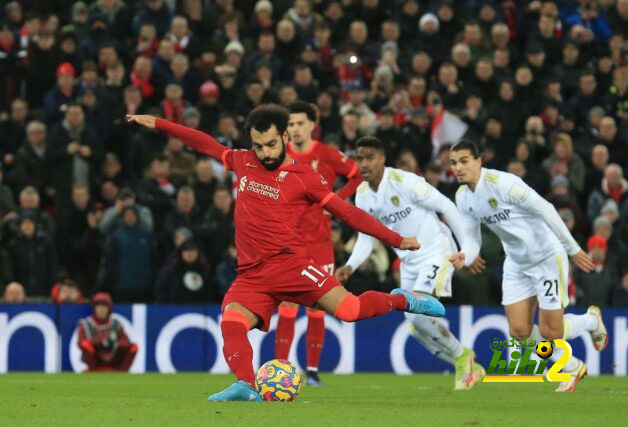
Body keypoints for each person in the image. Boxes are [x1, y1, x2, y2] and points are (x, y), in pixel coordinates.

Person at [126, 105, 444, 402]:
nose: (264, 153)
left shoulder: (306, 178)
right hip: (252, 275)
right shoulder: (243, 160)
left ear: (285, 137)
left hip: (291, 266)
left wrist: (396, 239)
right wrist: (160, 124)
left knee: (350, 311)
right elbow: (205, 143)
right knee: (232, 320)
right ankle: (246, 384)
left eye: (269, 145)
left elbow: (348, 213)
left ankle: (404, 299)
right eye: (257, 146)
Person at [448, 139, 607, 392]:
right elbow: (471, 238)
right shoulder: (463, 197)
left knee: (551, 332)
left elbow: (546, 209)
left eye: (464, 161)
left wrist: (572, 248)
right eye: (454, 163)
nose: (458, 167)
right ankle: (572, 366)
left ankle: (591, 320)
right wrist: (465, 255)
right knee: (519, 332)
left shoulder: (504, 184)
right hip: (516, 263)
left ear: (479, 161)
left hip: (546, 257)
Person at [335, 136, 484, 391]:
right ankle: (463, 359)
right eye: (359, 158)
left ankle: (462, 356)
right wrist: (350, 265)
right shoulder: (362, 195)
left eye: (369, 157)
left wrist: (467, 248)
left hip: (436, 251)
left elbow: (446, 206)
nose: (363, 164)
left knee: (418, 309)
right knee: (413, 325)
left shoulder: (405, 182)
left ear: (382, 159)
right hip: (409, 263)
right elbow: (367, 236)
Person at [274, 100, 363, 386]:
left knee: (316, 306)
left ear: (313, 125)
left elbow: (357, 175)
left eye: (300, 123)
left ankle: (312, 371)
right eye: (291, 124)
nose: (295, 129)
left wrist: (335, 202)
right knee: (287, 305)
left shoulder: (326, 154)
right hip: (288, 242)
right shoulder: (279, 154)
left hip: (320, 242)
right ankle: (281, 369)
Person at [77, 292, 138, 372]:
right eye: (99, 307)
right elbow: (80, 342)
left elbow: (126, 342)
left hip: (114, 357)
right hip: (95, 358)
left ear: (109, 309)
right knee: (86, 345)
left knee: (134, 347)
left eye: (104, 307)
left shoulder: (116, 324)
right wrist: (101, 342)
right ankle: (93, 370)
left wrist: (115, 343)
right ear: (94, 308)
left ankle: (122, 372)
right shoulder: (86, 324)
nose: (101, 310)